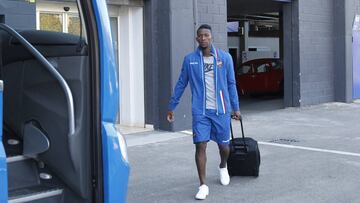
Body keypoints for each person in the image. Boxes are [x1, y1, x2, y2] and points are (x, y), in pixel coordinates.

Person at [167, 24, 241, 200]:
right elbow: (181, 83)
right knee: (200, 144)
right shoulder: (190, 59)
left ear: (211, 37)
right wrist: (172, 106)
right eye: (200, 36)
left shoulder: (225, 58)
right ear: (196, 39)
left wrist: (235, 108)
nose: (203, 38)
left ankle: (223, 166)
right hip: (200, 111)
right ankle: (203, 185)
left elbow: (231, 84)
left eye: (206, 35)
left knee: (224, 146)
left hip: (221, 110)